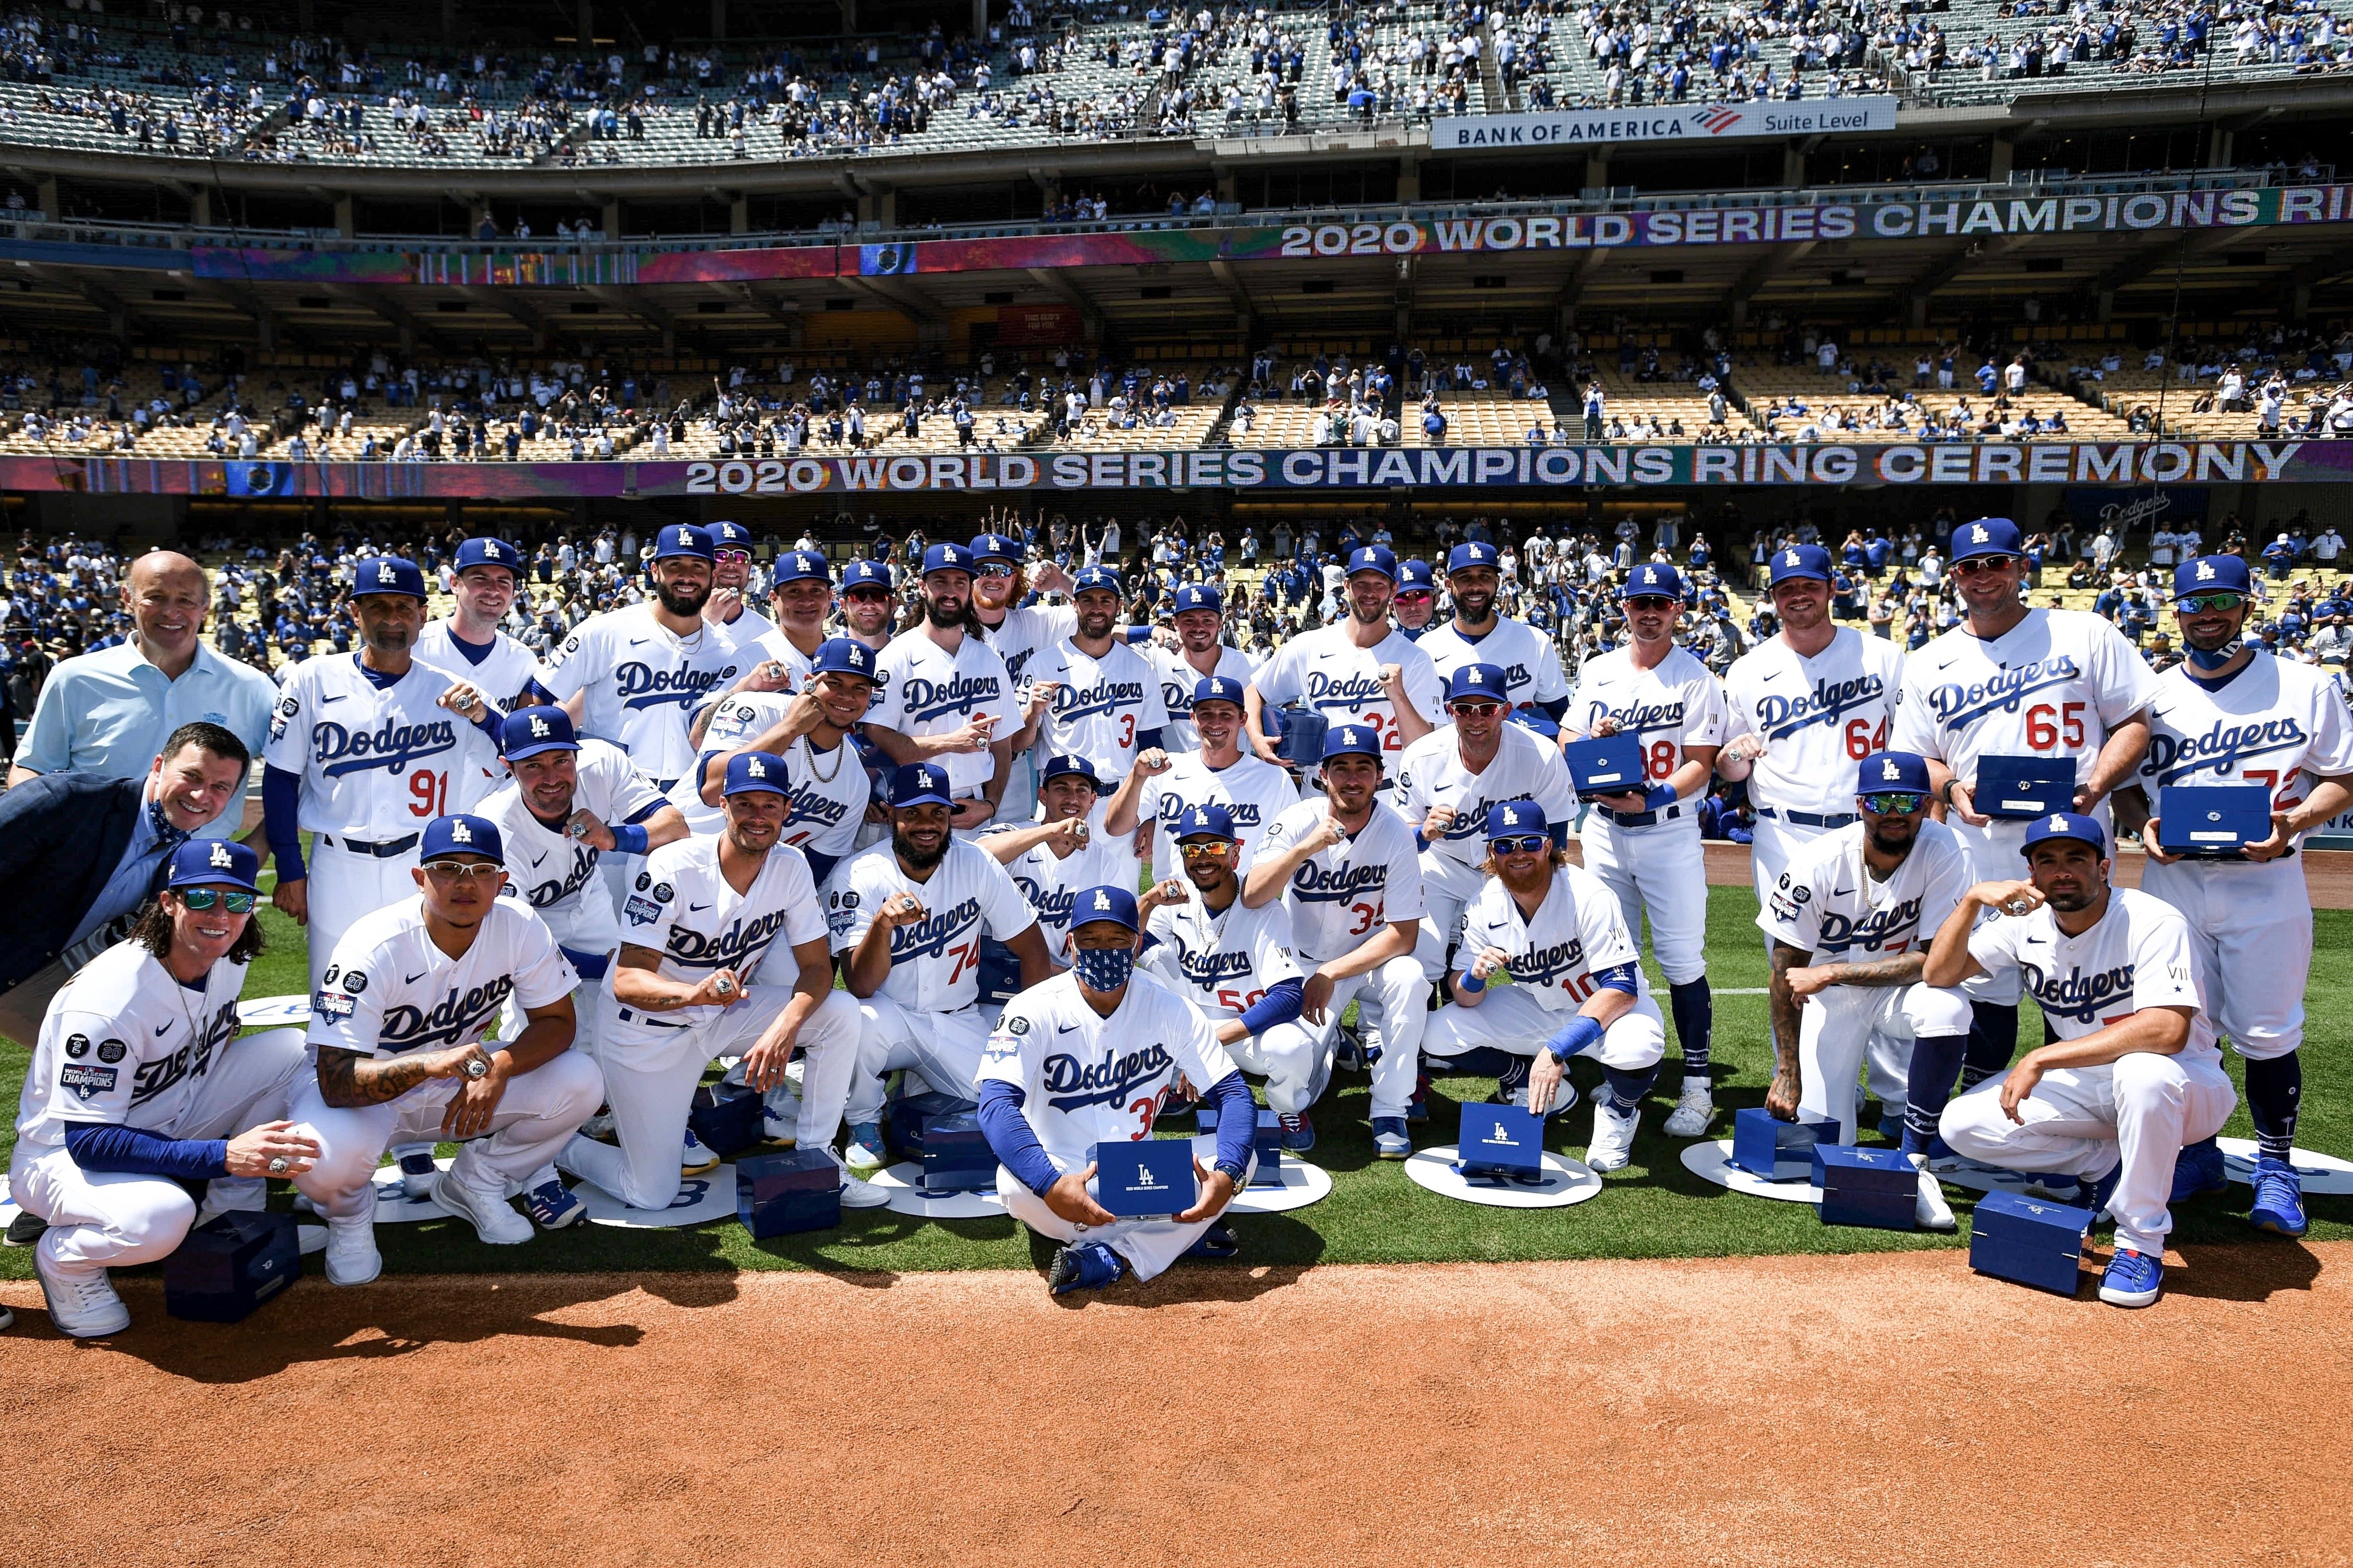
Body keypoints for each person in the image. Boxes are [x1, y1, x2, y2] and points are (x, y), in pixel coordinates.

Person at [2111, 555, 2353, 1239]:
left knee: (2270, 1033)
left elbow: (2343, 776)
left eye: (2221, 601)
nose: (2207, 614)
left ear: (2248, 604)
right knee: (2182, 1028)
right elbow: (2126, 787)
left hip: (2267, 884)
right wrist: (2140, 827)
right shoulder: (2151, 695)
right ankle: (2197, 1156)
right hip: (2175, 885)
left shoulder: (2304, 684)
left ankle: (2276, 1168)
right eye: (2194, 604)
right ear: (2176, 611)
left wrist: (2296, 824)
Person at [1922, 813, 2236, 1310]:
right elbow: (1938, 973)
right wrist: (1970, 901)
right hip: (2089, 1085)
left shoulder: (2152, 919)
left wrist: (2043, 1055)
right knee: (1961, 1125)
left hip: (2185, 1083)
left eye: (2075, 858)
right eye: (2046, 860)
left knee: (2141, 1072)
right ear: (2030, 874)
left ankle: (2140, 1243)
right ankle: (2106, 1161)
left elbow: (2167, 1030)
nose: (2061, 871)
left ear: (2103, 866)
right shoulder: (2021, 923)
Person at [6, 839, 309, 1338]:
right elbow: (91, 1142)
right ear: (169, 902)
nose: (220, 915)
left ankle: (232, 1209)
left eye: (235, 901)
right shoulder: (111, 999)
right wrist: (225, 1153)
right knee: (161, 1218)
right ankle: (65, 1261)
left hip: (164, 1109)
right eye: (202, 898)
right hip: (62, 1155)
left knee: (290, 1051)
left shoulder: (229, 956)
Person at [1893, 516, 2155, 1092]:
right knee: (1984, 984)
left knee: (2083, 979)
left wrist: (2094, 786)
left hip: (2072, 838)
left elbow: (2134, 725)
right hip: (1981, 846)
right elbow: (1919, 758)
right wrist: (1950, 789)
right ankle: (1981, 1108)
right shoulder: (1928, 659)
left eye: (1996, 562)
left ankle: (2080, 1117)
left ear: (2021, 567)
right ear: (1953, 576)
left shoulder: (2085, 633)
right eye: (1970, 566)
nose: (1983, 575)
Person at [291, 815, 607, 1287]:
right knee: (318, 1157)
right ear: (420, 878)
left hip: (459, 1087)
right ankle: (351, 1216)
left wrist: (501, 1065)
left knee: (581, 1080)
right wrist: (425, 1064)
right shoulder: (374, 942)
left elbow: (559, 1023)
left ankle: (477, 1180)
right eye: (447, 868)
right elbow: (335, 1081)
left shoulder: (517, 924)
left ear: (502, 881)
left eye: (481, 870)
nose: (465, 883)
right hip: (367, 1099)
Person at [556, 753, 879, 1213]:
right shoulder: (673, 866)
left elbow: (817, 969)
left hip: (725, 1017)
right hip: (645, 1032)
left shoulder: (791, 866)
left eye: (771, 806)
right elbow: (627, 979)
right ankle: (558, 1148)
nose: (758, 817)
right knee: (651, 1192)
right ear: (723, 807)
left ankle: (817, 1157)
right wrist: (694, 994)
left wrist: (785, 1028)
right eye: (746, 804)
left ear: (788, 811)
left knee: (840, 1014)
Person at [1713, 543, 1909, 1138]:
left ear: (1831, 588)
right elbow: (1726, 767)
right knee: (1794, 955)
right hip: (1782, 828)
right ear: (1771, 597)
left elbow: (1911, 740)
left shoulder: (1883, 655)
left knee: (1883, 948)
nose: (1797, 596)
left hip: (1868, 825)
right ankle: (1811, 1074)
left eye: (1809, 585)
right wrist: (1732, 758)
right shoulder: (1748, 669)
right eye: (1784, 588)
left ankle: (1896, 1094)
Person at [977, 883, 1257, 1295]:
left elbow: (1234, 1095)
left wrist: (1228, 1172)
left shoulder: (1169, 1007)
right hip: (1066, 1170)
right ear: (1071, 945)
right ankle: (1175, 1235)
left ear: (1138, 942)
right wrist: (1051, 1185)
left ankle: (1113, 1257)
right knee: (1014, 1186)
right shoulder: (1032, 1007)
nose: (1104, 949)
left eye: (1118, 939)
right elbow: (996, 1105)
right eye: (1091, 939)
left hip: (1143, 1170)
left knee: (1240, 1164)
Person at [262, 556, 507, 994]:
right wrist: (289, 867)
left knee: (421, 993)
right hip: (339, 864)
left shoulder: (452, 691)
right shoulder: (312, 679)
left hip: (422, 864)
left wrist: (486, 718)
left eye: (403, 607)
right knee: (334, 993)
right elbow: (280, 778)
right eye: (378, 607)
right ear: (355, 613)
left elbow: (520, 751)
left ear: (423, 615)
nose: (392, 619)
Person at [1758, 753, 1974, 1229]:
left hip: (1893, 989)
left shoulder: (1946, 848)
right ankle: (1838, 1099)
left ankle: (1916, 1160)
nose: (1893, 812)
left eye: (1907, 800)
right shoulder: (1817, 862)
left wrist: (1836, 972)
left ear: (1925, 805)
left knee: (1948, 1006)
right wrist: (1786, 1070)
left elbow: (1934, 963)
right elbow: (1784, 972)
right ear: (1859, 804)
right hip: (1825, 1000)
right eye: (1881, 800)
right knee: (1827, 1145)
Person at [824, 763, 1061, 1172]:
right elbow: (860, 984)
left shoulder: (976, 863)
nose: (926, 825)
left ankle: (911, 1088)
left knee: (1008, 1109)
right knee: (854, 1017)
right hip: (890, 1016)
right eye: (912, 813)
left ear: (951, 815)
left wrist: (1032, 1033)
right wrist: (882, 925)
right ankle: (863, 1120)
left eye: (937, 813)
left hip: (959, 1018)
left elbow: (1033, 949)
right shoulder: (859, 873)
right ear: (891, 813)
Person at [1564, 562, 1727, 1135]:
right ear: (1625, 609)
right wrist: (1591, 740)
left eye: (1661, 602)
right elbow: (1566, 738)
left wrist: (1653, 797)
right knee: (1614, 958)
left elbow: (1701, 761)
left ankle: (1698, 1086)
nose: (1650, 611)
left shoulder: (1695, 677)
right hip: (1605, 829)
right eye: (1640, 603)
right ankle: (1626, 1069)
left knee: (1682, 961)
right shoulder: (1599, 669)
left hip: (1668, 830)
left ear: (1678, 610)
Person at [1423, 801, 1666, 1172]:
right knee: (1437, 1034)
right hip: (1540, 1007)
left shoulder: (1588, 894)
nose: (1518, 854)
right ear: (1492, 852)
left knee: (1638, 1047)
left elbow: (1622, 988)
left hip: (1605, 1012)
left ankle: (1620, 1111)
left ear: (1549, 845)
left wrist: (1555, 1052)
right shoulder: (1485, 904)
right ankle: (1526, 1084)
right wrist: (1474, 976)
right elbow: (1464, 996)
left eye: (1529, 843)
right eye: (1505, 846)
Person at [0, 721, 253, 1050]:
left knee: (168, 1054)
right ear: (159, 766)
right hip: (14, 963)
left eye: (220, 787)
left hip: (50, 975)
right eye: (192, 776)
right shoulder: (67, 800)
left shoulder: (183, 855)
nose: (201, 795)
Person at [1243, 723, 1430, 1159]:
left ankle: (1390, 1108)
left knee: (1411, 976)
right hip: (1302, 963)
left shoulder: (1396, 833)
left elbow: (1404, 935)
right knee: (1301, 1078)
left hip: (1361, 961)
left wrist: (1333, 974)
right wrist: (1302, 850)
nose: (1351, 778)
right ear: (1322, 775)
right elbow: (1252, 895)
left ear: (1380, 775)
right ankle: (1334, 1045)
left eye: (1363, 768)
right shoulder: (1297, 820)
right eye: (1340, 767)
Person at [475, 705, 685, 1062]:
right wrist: (602, 968)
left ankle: (606, 1099)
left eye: (561, 760)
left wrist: (614, 837)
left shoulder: (601, 763)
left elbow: (675, 828)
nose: (552, 777)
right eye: (533, 766)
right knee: (533, 1027)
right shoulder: (496, 826)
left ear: (577, 753)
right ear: (508, 767)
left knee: (618, 1015)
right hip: (529, 920)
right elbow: (515, 943)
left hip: (590, 895)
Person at [9, 550, 276, 806]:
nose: (171, 612)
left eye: (186, 600)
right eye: (156, 597)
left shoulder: (251, 687)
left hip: (205, 852)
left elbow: (299, 772)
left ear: (206, 606)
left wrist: (260, 842)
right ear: (128, 598)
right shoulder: (74, 679)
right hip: (98, 852)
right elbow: (30, 769)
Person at [1139, 803, 1320, 1145]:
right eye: (1193, 849)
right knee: (1144, 975)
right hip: (1192, 1028)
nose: (1203, 858)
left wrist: (1208, 1044)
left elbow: (1289, 997)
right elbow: (1123, 951)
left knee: (1291, 1046)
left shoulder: (1263, 908)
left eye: (1215, 848)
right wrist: (1148, 902)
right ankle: (1172, 1082)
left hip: (1249, 1034)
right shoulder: (1177, 903)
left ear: (1235, 855)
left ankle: (1288, 1109)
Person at [1392, 664, 1580, 991]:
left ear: (1506, 711)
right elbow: (1401, 841)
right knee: (1421, 959)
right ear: (1451, 711)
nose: (1475, 719)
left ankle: (1469, 1033)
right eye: (1464, 709)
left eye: (1487, 709)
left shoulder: (1540, 754)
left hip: (1507, 871)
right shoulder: (1422, 755)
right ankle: (1421, 1041)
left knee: (1524, 959)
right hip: (1440, 865)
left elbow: (1556, 836)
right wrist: (1422, 833)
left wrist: (1537, 890)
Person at [529, 524, 743, 802]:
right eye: (675, 565)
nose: (687, 577)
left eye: (698, 567)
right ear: (654, 571)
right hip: (610, 789)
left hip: (691, 792)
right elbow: (539, 696)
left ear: (713, 576)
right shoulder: (604, 631)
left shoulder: (724, 651)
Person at [686, 638, 880, 882]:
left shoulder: (857, 784)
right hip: (683, 855)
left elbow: (812, 873)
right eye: (834, 683)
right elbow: (711, 791)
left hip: (751, 887)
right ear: (810, 683)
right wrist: (790, 729)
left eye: (859, 688)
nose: (847, 696)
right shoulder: (757, 707)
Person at [866, 544, 1019, 832]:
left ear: (970, 588)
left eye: (960, 583)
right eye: (941, 582)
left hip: (972, 806)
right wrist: (951, 742)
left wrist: (992, 804)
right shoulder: (894, 658)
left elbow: (1002, 744)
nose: (951, 592)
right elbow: (878, 737)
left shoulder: (990, 659)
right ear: (923, 587)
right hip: (910, 806)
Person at [1244, 545, 1441, 770]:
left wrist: (1399, 697)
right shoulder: (1308, 645)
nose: (1370, 593)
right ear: (1347, 586)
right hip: (1319, 790)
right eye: (1361, 584)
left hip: (1386, 792)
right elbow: (1254, 691)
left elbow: (1423, 747)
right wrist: (1258, 739)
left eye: (1379, 584)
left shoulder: (1415, 659)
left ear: (1394, 590)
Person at [1113, 675, 1299, 887]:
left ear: (1243, 719)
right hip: (1174, 905)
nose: (1215, 722)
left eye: (1226, 714)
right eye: (1206, 714)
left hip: (1242, 904)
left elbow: (1297, 845)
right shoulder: (1167, 769)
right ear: (1193, 718)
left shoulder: (1274, 779)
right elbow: (1116, 827)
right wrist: (1136, 778)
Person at [1026, 566, 1168, 791]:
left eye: (1106, 601)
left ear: (1119, 606)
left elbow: (1150, 741)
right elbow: (1018, 743)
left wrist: (1150, 811)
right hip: (1060, 796)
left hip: (1123, 795)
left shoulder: (1141, 667)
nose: (1097, 609)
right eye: (1088, 600)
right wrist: (1033, 714)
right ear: (1074, 604)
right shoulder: (1042, 664)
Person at [984, 754, 1144, 949]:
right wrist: (1051, 831)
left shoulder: (1104, 862)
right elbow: (980, 855)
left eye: (1082, 791)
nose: (1072, 799)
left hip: (1067, 973)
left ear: (1093, 801)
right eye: (1062, 789)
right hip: (1002, 968)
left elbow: (1119, 923)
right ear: (1043, 796)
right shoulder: (1013, 834)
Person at [1416, 542, 1570, 718]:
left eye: (1485, 577)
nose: (1475, 587)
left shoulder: (1534, 641)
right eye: (1465, 578)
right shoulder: (1426, 648)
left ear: (1497, 582)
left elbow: (1558, 718)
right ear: (1449, 585)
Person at [415, 537, 539, 708]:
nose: (494, 590)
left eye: (503, 581)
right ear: (454, 584)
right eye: (480, 578)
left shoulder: (523, 660)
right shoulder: (413, 647)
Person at [1150, 584, 1255, 752]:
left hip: (1235, 775)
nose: (1199, 627)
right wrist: (1151, 630)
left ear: (1220, 623)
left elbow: (1281, 709)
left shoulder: (1250, 665)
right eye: (1189, 620)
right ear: (1176, 623)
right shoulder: (1157, 658)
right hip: (1172, 774)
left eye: (1207, 620)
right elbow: (1106, 638)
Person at [1390, 559, 1439, 640]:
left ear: (1436, 600)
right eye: (1402, 599)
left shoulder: (1453, 642)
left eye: (1421, 596)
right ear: (1391, 607)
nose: (1413, 606)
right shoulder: (1379, 647)